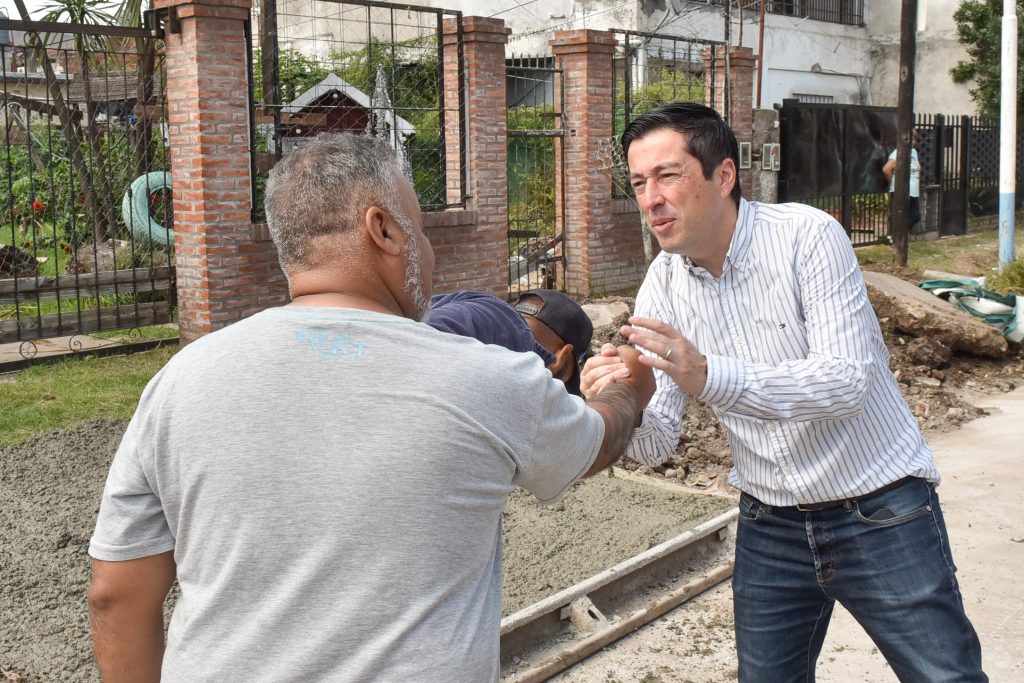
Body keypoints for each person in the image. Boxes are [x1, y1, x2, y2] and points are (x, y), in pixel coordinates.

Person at [86, 133, 655, 682]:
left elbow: (116, 594)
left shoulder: (178, 382)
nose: (429, 252)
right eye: (421, 231)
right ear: (383, 230)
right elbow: (597, 441)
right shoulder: (488, 379)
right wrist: (629, 388)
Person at [583, 103, 986, 681]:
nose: (651, 199)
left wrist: (708, 374)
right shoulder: (663, 283)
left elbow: (845, 381)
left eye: (667, 176)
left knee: (944, 675)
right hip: (769, 523)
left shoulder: (807, 237)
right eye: (640, 182)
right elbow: (658, 444)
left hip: (880, 508)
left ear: (724, 175)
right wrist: (626, 402)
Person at [427, 288, 593, 395]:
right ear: (562, 355)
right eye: (563, 379)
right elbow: (426, 333)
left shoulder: (469, 303)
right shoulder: (508, 331)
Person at [882, 129, 922, 228]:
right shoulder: (898, 152)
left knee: (915, 216)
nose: (915, 142)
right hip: (902, 190)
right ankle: (896, 233)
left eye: (915, 139)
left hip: (913, 191)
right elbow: (886, 169)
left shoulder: (913, 152)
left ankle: (900, 233)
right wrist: (893, 183)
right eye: (913, 139)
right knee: (904, 216)